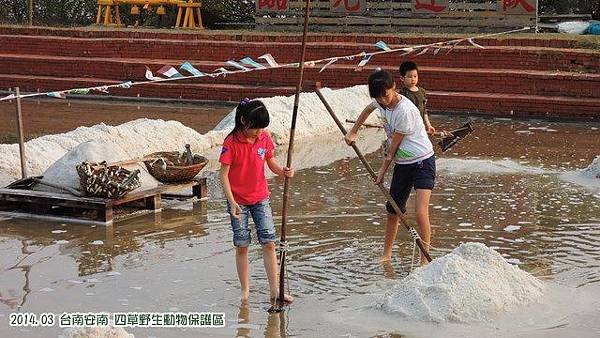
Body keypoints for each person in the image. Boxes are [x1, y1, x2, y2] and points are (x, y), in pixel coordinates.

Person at [345, 70, 436, 265]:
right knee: (393, 211)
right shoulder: (380, 100)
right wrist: (353, 131)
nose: (383, 101)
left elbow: (392, 150)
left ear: (394, 87)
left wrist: (381, 172)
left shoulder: (405, 111)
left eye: (386, 96)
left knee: (420, 212)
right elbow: (368, 109)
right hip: (403, 164)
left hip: (422, 161)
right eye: (379, 98)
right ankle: (387, 255)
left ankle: (424, 259)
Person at [219, 98, 294, 304]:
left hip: (260, 197)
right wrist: (232, 201)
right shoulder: (231, 143)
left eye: (262, 128)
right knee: (242, 245)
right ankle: (245, 291)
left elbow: (271, 162)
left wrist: (283, 172)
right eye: (255, 128)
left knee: (269, 242)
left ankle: (275, 291)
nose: (259, 132)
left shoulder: (264, 138)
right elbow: (223, 175)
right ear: (243, 121)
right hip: (238, 201)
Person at [398, 61, 436, 135]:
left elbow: (424, 110)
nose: (413, 79)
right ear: (402, 78)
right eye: (410, 77)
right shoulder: (403, 94)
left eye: (415, 76)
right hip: (408, 127)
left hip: (419, 126)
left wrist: (428, 125)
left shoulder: (422, 92)